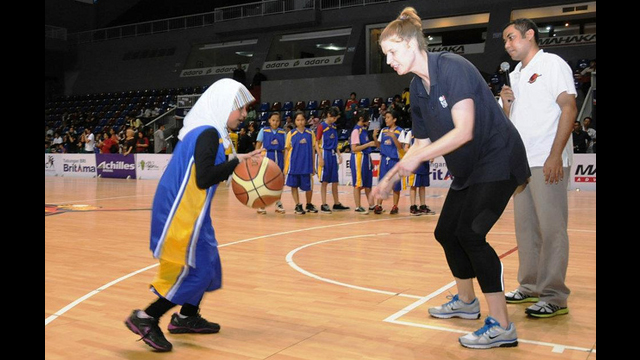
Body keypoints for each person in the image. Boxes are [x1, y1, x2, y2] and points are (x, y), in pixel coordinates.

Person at [375, 7, 530, 349]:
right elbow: (421, 144)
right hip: (468, 170)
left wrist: (413, 159)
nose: (388, 61)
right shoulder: (417, 88)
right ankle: (466, 302)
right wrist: (392, 175)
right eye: (386, 54)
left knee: (471, 235)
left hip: (498, 159)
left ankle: (502, 325)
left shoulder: (452, 67)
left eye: (392, 52)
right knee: (446, 232)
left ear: (412, 44)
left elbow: (464, 131)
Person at [124, 79, 262, 352]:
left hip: (193, 209)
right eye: (241, 109)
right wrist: (236, 162)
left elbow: (209, 171)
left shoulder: (209, 132)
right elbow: (205, 178)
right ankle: (146, 317)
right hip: (180, 210)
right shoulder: (207, 132)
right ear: (223, 106)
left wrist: (239, 158)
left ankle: (186, 317)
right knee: (194, 271)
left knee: (209, 262)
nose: (244, 115)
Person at [500, 18, 577, 319]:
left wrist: (555, 155)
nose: (507, 45)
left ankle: (555, 295)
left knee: (552, 229)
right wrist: (506, 106)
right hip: (523, 164)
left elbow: (569, 107)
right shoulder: (516, 75)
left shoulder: (552, 64)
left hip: (547, 160)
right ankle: (529, 285)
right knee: (526, 229)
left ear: (529, 35)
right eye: (505, 40)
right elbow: (514, 125)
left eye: (511, 38)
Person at [284, 111, 320, 215]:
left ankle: (308, 204)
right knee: (293, 185)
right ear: (295, 121)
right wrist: (285, 166)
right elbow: (287, 149)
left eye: (302, 119)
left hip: (306, 164)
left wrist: (313, 165)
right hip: (294, 165)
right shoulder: (291, 134)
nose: (300, 122)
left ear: (305, 120)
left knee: (309, 186)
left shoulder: (310, 133)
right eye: (298, 120)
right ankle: (298, 205)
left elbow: (313, 149)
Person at [316, 106, 350, 214]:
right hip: (325, 153)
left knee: (335, 181)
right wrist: (320, 157)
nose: (335, 120)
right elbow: (316, 143)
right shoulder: (322, 126)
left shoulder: (334, 127)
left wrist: (339, 154)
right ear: (329, 115)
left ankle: (336, 203)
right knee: (325, 181)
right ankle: (324, 204)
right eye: (334, 118)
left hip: (333, 154)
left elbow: (335, 143)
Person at [373, 110, 405, 215]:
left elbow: (400, 147)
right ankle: (379, 205)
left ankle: (395, 206)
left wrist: (393, 137)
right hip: (384, 160)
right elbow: (379, 146)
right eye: (385, 118)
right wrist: (374, 137)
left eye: (388, 117)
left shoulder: (400, 131)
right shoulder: (383, 131)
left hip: (394, 160)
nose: (386, 119)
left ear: (394, 119)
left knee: (395, 185)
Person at [255, 112, 286, 214]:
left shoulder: (282, 132)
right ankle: (262, 204)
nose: (275, 122)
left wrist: (286, 161)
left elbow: (285, 149)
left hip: (279, 157)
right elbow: (258, 144)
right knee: (265, 181)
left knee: (279, 182)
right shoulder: (263, 131)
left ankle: (278, 202)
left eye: (277, 120)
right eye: (273, 120)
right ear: (269, 121)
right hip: (267, 156)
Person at [402, 130, 436, 216]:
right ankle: (413, 206)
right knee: (413, 185)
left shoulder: (428, 132)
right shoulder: (410, 133)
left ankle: (422, 206)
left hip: (424, 163)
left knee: (422, 185)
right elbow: (406, 148)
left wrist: (432, 155)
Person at [350, 111, 378, 214]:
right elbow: (354, 148)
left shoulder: (364, 131)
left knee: (368, 184)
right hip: (358, 158)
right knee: (358, 183)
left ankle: (371, 205)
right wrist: (369, 144)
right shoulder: (355, 131)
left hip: (366, 158)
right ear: (362, 119)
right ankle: (358, 206)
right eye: (367, 119)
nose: (369, 121)